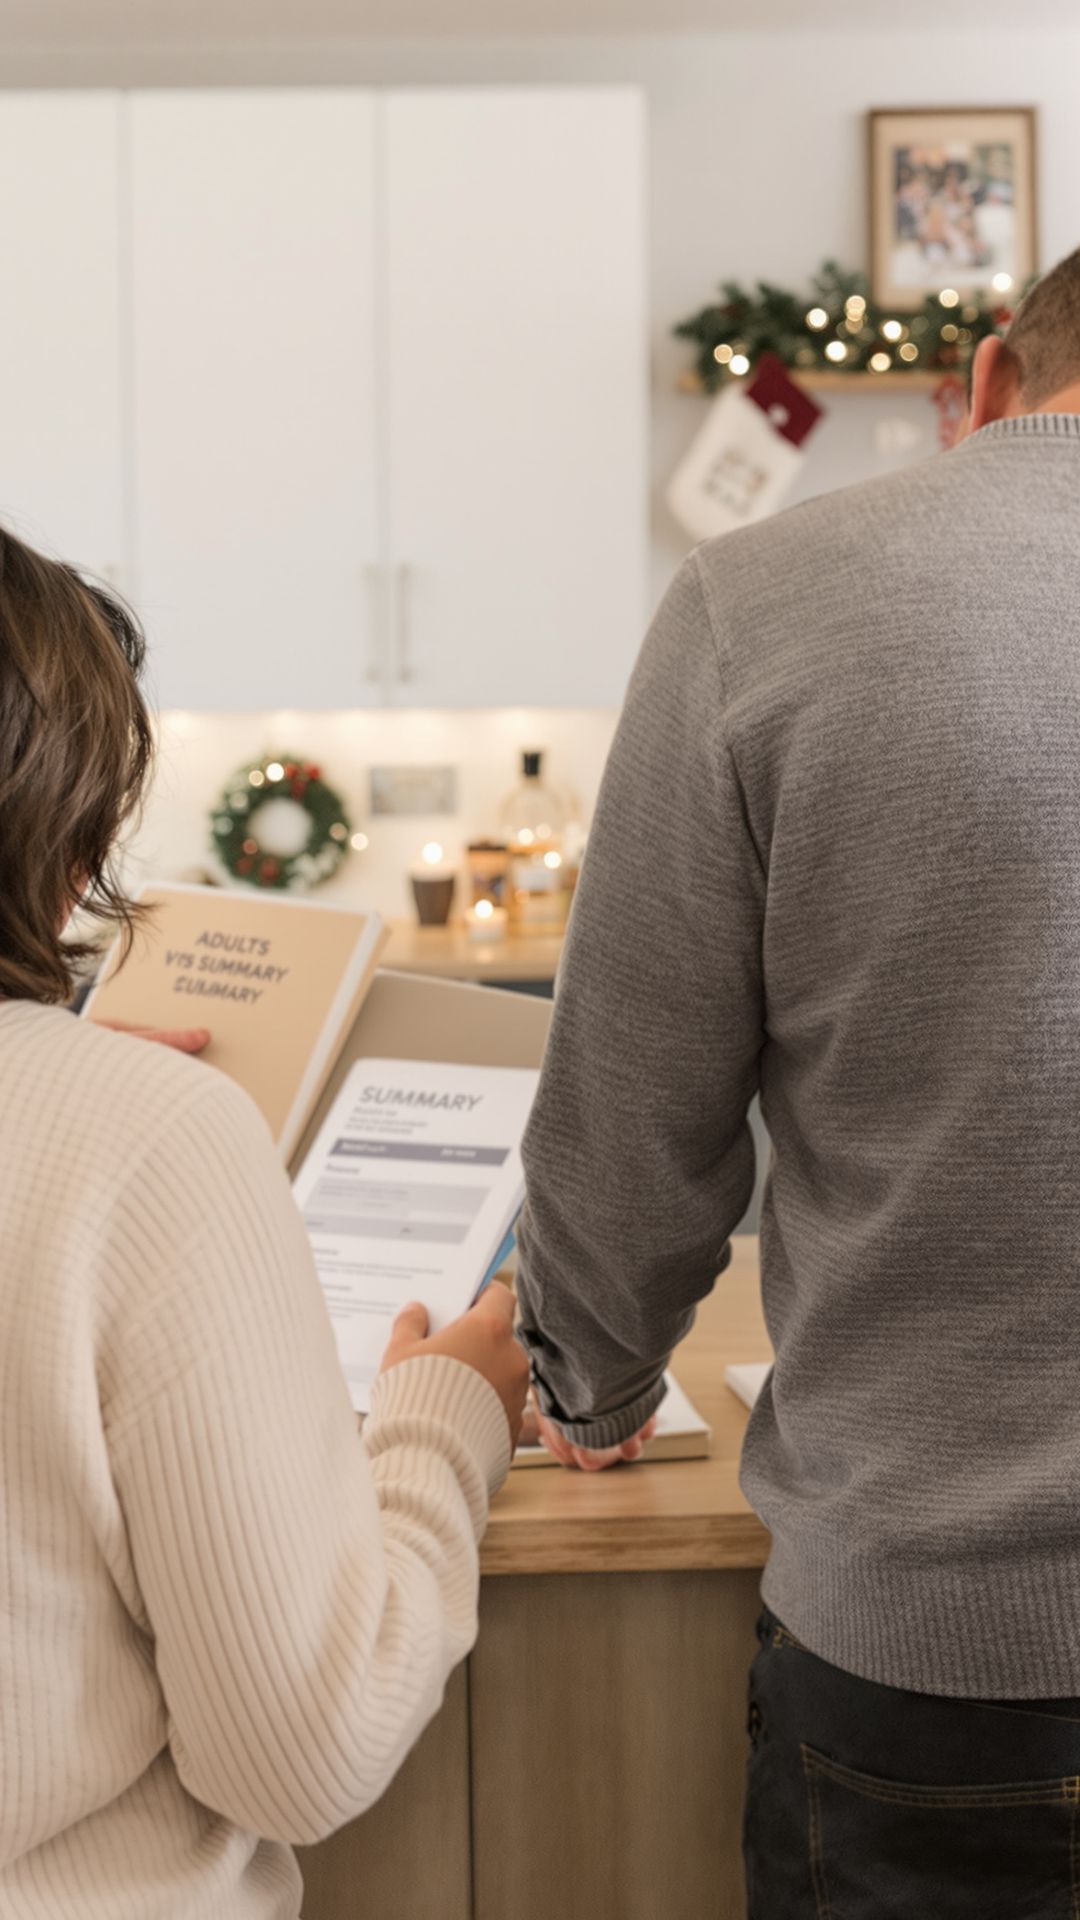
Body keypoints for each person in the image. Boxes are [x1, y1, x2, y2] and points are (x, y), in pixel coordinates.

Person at [515, 246, 1080, 1911]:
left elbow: (635, 1118)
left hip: (937, 1663)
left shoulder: (769, 599)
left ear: (983, 386)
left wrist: (591, 1387)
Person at [0, 525, 529, 1915]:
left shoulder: (126, 1126)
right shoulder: (152, 1137)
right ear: (64, 829)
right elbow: (299, 1751)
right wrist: (437, 1424)